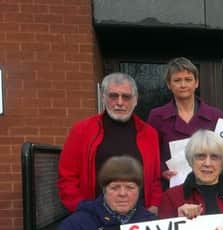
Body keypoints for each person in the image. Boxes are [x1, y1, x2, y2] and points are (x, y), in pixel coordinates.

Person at [58, 72, 162, 214]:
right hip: (94, 214)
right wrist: (80, 208)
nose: (119, 102)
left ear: (135, 100)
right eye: (113, 96)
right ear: (103, 98)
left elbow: (155, 178)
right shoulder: (82, 130)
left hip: (139, 215)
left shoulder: (149, 134)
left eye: (126, 97)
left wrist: (154, 205)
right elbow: (67, 177)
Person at [147, 57, 223, 188]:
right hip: (172, 186)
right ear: (169, 84)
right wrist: (161, 171)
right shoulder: (157, 116)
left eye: (188, 79)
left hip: (208, 186)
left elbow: (222, 153)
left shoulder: (215, 115)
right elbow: (150, 153)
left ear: (196, 82)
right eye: (177, 80)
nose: (183, 85)